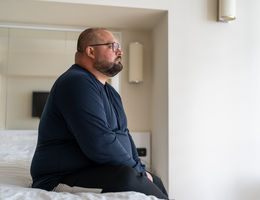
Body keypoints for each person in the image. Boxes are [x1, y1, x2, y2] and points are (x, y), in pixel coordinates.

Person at [30, 28, 168, 199]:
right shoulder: (76, 82)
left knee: (155, 180)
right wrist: (137, 172)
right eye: (113, 46)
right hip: (60, 177)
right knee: (128, 178)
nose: (120, 51)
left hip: (95, 169)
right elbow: (99, 142)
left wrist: (140, 168)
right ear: (91, 51)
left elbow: (125, 134)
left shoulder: (111, 92)